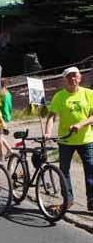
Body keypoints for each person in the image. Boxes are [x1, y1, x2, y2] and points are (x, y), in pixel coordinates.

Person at [45, 67, 93, 211]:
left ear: (80, 78)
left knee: (91, 169)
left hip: (86, 139)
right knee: (63, 171)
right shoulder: (59, 96)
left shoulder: (89, 93)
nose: (72, 79)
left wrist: (80, 124)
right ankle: (68, 200)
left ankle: (92, 201)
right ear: (64, 80)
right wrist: (47, 133)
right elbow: (51, 116)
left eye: (75, 76)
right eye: (69, 77)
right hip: (65, 140)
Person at [0, 78, 13, 160]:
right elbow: (10, 105)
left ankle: (1, 155)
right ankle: (9, 150)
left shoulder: (0, 94)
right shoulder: (8, 93)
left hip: (1, 117)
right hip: (7, 115)